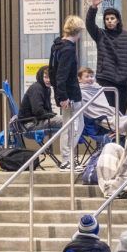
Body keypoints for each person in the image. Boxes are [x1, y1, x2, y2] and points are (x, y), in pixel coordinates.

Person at [85, 0, 127, 112]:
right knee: (107, 113)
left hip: (122, 81)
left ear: (118, 20)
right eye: (107, 19)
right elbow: (89, 25)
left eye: (112, 18)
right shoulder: (100, 34)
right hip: (105, 79)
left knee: (120, 113)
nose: (109, 21)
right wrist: (93, 7)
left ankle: (118, 131)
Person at [49, 15, 85, 169]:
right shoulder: (68, 49)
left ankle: (67, 158)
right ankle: (67, 159)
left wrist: (58, 94)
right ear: (78, 32)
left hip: (65, 93)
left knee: (69, 126)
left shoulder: (57, 45)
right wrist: (63, 97)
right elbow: (61, 74)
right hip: (70, 95)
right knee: (74, 127)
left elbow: (52, 71)